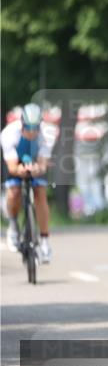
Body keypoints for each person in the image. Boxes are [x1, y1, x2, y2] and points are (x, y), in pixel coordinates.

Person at [2, 104, 54, 262]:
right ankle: (13, 225)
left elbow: (43, 163)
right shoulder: (9, 133)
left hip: (35, 161)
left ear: (40, 125)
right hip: (15, 163)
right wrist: (20, 170)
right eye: (28, 127)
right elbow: (11, 166)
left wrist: (38, 168)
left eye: (35, 127)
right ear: (22, 123)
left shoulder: (47, 134)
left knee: (40, 192)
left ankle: (45, 241)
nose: (31, 131)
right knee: (14, 191)